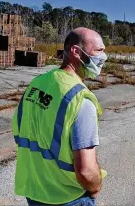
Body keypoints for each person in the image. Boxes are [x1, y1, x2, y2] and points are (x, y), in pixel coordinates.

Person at [12, 27, 108, 206]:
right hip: (67, 198)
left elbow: (19, 133)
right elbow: (86, 171)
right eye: (99, 50)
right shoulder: (81, 99)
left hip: (35, 192)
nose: (104, 57)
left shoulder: (37, 84)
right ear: (76, 52)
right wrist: (95, 187)